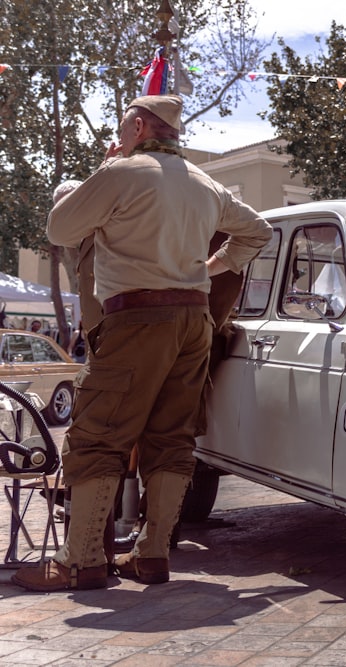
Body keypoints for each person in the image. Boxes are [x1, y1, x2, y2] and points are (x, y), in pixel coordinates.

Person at [13, 94, 273, 592]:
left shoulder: (122, 172)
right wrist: (206, 268)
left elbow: (59, 226)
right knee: (172, 436)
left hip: (136, 319)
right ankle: (151, 555)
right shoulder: (205, 183)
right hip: (193, 320)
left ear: (136, 127)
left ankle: (81, 561)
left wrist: (104, 171)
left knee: (98, 434)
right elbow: (256, 231)